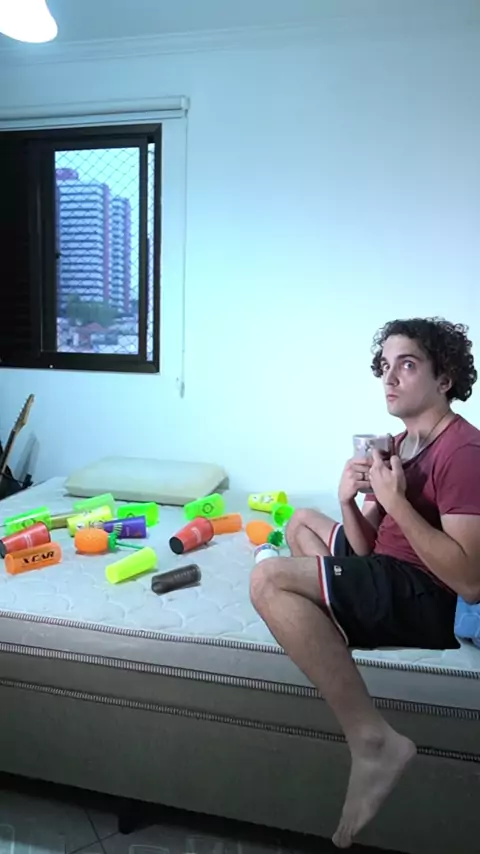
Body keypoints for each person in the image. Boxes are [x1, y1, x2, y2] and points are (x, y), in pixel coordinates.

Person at [250, 317, 480, 849]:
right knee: (300, 522)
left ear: (444, 377)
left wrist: (396, 500)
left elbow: (469, 581)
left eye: (407, 364)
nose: (390, 378)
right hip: (387, 570)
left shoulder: (463, 453)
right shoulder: (399, 443)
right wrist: (349, 501)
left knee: (269, 580)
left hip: (427, 595)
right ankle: (330, 617)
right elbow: (369, 548)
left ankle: (372, 739)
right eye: (385, 366)